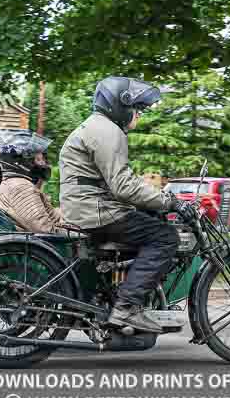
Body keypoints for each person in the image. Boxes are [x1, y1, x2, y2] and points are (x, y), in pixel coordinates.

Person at [59, 76, 180, 333]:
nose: (138, 115)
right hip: (96, 211)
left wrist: (154, 199)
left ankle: (123, 295)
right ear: (120, 105)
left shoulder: (98, 127)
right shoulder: (108, 132)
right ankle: (127, 308)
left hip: (88, 207)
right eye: (136, 109)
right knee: (166, 237)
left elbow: (122, 178)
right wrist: (169, 202)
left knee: (149, 221)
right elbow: (123, 186)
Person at [0, 131, 67, 234]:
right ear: (22, 162)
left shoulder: (15, 184)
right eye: (38, 159)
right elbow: (45, 231)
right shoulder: (21, 188)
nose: (44, 163)